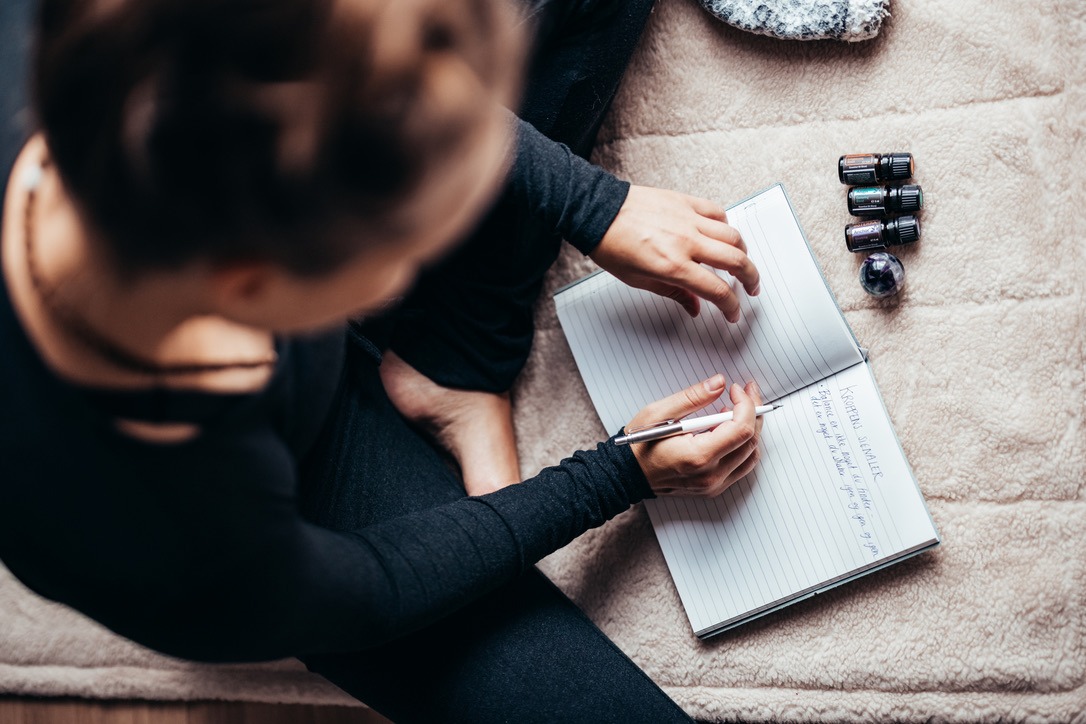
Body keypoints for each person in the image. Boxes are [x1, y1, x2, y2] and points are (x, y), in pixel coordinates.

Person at [0, 0, 765, 721]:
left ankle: (458, 366)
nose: (407, 268)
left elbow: (332, 50)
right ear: (252, 287)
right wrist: (617, 473)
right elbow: (372, 591)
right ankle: (463, 346)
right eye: (397, 256)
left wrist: (588, 203)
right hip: (306, 482)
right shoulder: (167, 542)